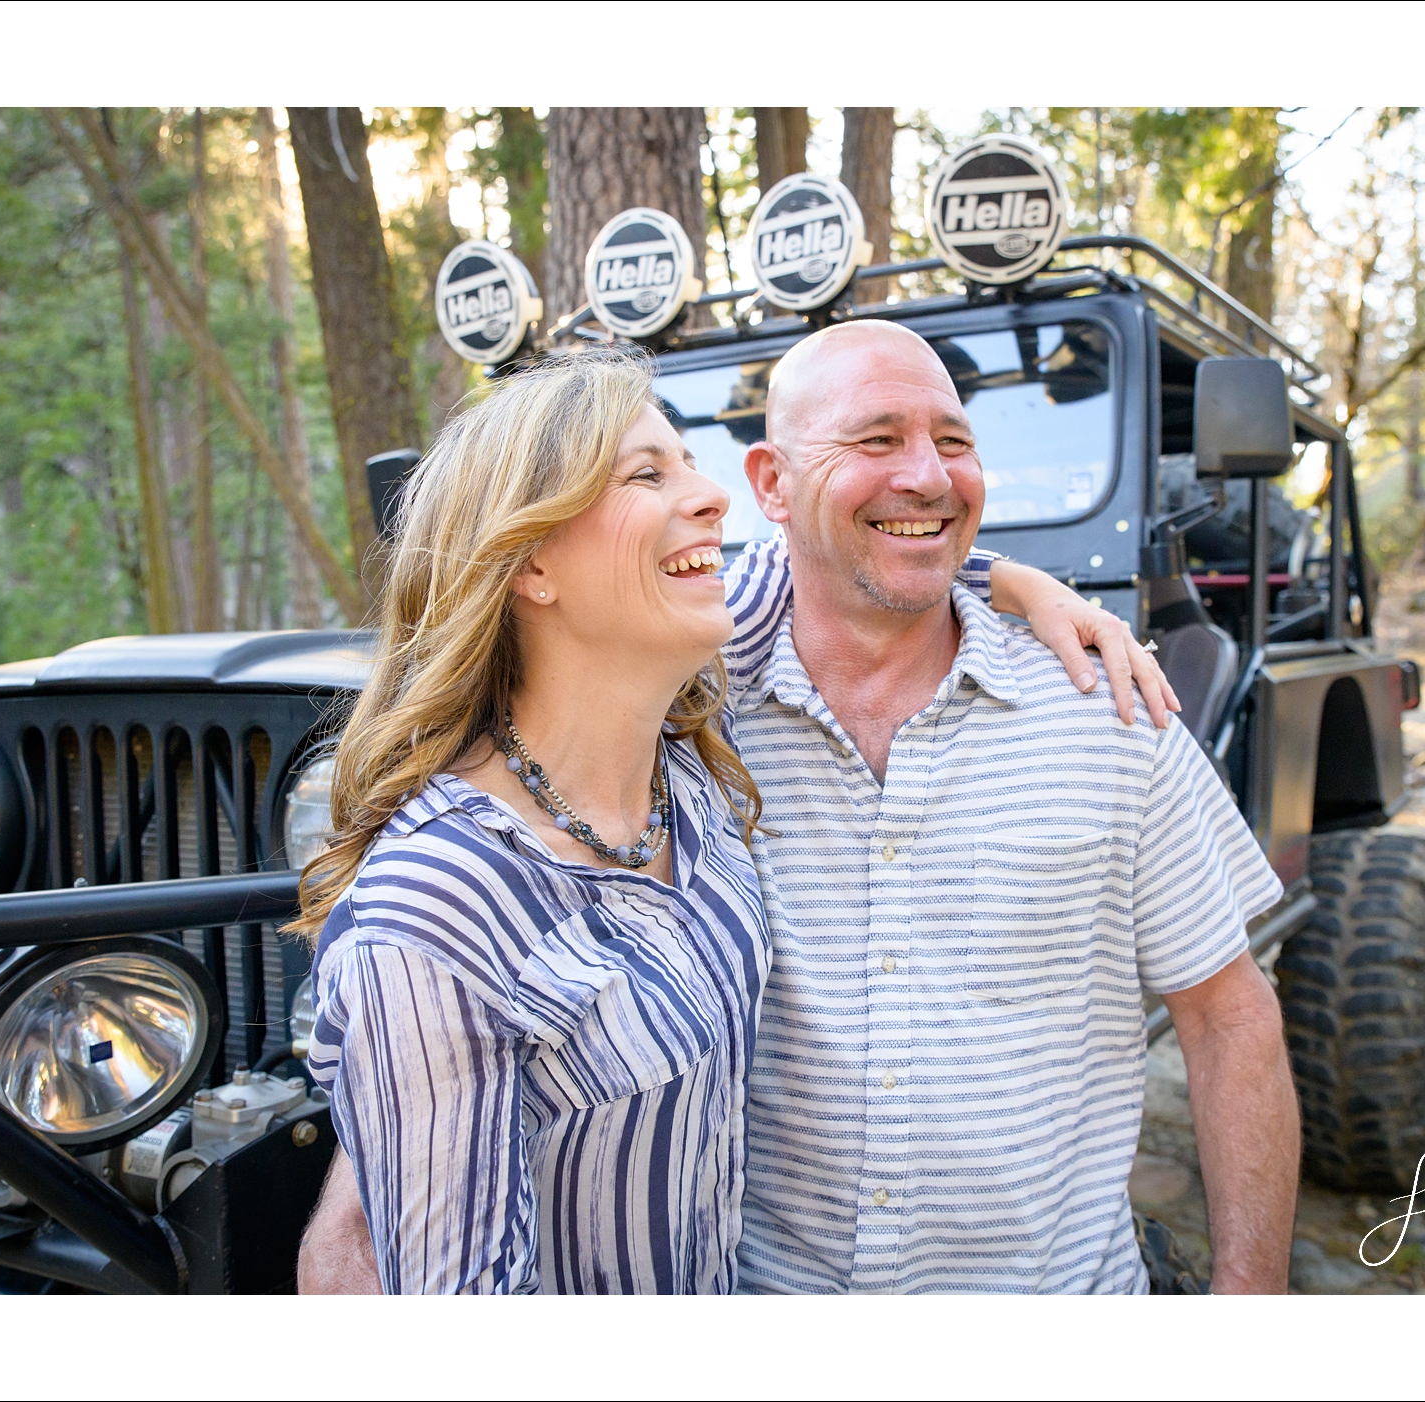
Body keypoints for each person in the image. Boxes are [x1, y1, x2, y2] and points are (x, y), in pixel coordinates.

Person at [292, 344, 1175, 1294]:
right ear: (533, 561)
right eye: (646, 472)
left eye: (690, 461)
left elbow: (868, 549)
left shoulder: (692, 777)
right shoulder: (436, 911)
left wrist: (1013, 581)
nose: (714, 496)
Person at [720, 321, 1297, 1293]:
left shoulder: (1109, 706)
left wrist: (1247, 1306)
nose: (930, 477)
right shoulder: (679, 723)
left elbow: (1228, 1020)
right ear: (770, 483)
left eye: (953, 441)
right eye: (876, 440)